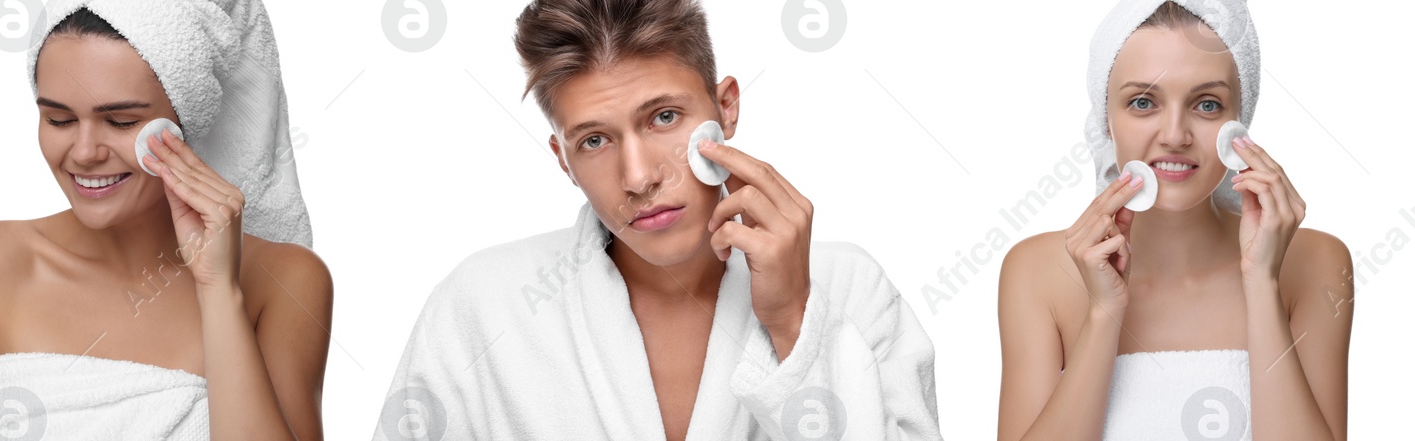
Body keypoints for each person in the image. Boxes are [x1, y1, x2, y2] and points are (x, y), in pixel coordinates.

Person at [374, 1, 940, 440]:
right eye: (594, 140)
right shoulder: (482, 304)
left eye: (664, 117)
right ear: (562, 160)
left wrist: (794, 324)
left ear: (727, 108)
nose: (639, 176)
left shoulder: (849, 288)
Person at [0, 2, 332, 439]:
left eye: (120, 121)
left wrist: (218, 291)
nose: (83, 153)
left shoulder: (285, 280)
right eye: (58, 120)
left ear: (187, 119)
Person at [996, 1, 1351, 440]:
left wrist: (1262, 282)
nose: (1175, 135)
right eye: (1143, 102)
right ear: (1106, 121)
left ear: (1240, 122)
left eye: (1207, 104)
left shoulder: (1315, 262)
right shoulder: (1036, 272)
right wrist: (1104, 313)